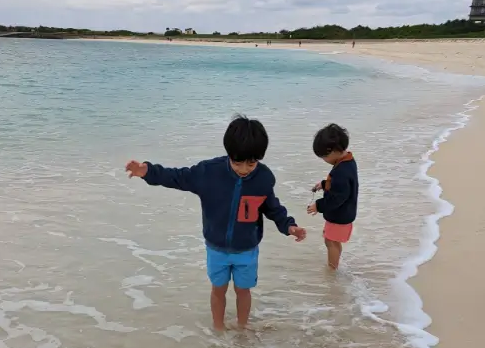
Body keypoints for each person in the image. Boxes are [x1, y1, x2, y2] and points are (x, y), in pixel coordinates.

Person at [125, 116, 306, 331]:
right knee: (218, 290)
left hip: (246, 250)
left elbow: (272, 207)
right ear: (229, 154)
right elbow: (178, 177)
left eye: (251, 163)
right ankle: (218, 328)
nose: (245, 169)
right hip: (216, 248)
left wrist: (289, 226)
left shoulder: (264, 178)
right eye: (238, 162)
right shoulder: (209, 172)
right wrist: (148, 171)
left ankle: (241, 328)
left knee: (243, 291)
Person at [307, 123, 358, 271]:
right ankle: (335, 263)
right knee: (332, 240)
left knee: (330, 241)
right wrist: (324, 184)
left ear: (333, 151)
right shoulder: (347, 161)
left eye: (324, 156)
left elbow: (338, 197)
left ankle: (332, 268)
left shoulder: (342, 171)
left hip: (340, 215)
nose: (324, 160)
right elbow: (339, 186)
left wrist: (319, 205)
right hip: (344, 213)